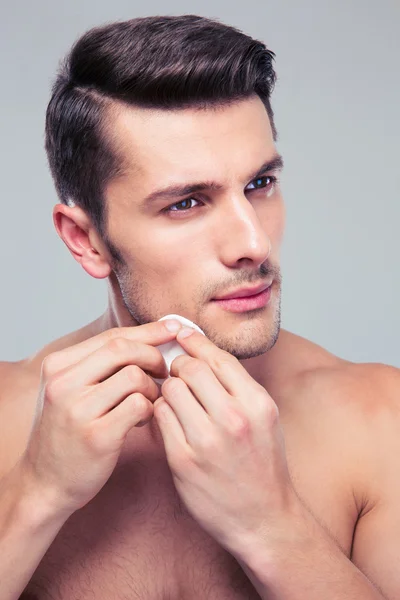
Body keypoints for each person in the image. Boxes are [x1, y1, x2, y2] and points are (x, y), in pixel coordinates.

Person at [0, 14, 399, 600]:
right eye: (187, 203)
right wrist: (36, 493)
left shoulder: (381, 421)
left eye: (260, 184)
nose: (253, 244)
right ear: (86, 240)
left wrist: (275, 528)